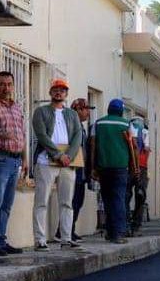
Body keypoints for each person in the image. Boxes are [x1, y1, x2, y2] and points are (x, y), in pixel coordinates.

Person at [31, 79, 83, 251]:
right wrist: (57, 154)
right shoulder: (41, 112)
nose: (59, 93)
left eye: (62, 90)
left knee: (67, 202)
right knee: (41, 201)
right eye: (55, 90)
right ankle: (40, 239)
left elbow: (77, 136)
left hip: (67, 163)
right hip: (46, 161)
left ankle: (66, 238)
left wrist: (68, 156)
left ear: (66, 94)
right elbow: (42, 135)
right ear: (50, 93)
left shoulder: (72, 114)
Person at [0, 71, 28, 256]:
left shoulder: (17, 107)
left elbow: (23, 135)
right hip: (0, 159)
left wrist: (25, 159)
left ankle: (1, 239)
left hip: (16, 159)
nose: (6, 87)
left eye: (9, 84)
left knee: (7, 204)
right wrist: (1, 134)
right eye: (2, 84)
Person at [91, 99, 139, 244]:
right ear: (121, 110)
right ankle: (118, 234)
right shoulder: (126, 124)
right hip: (120, 167)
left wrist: (93, 167)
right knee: (118, 198)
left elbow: (93, 145)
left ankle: (109, 232)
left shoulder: (98, 123)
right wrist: (134, 166)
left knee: (106, 199)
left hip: (103, 166)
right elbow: (134, 146)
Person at [70, 97, 96, 244]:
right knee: (73, 201)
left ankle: (70, 229)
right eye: (86, 109)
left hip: (82, 169)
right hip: (75, 168)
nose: (88, 113)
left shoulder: (81, 127)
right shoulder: (74, 126)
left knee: (78, 201)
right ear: (78, 110)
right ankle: (66, 230)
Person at [127, 117, 151, 235]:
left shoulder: (127, 129)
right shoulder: (145, 132)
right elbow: (146, 148)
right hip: (141, 167)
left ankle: (126, 224)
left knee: (126, 196)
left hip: (127, 166)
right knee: (140, 195)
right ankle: (136, 225)